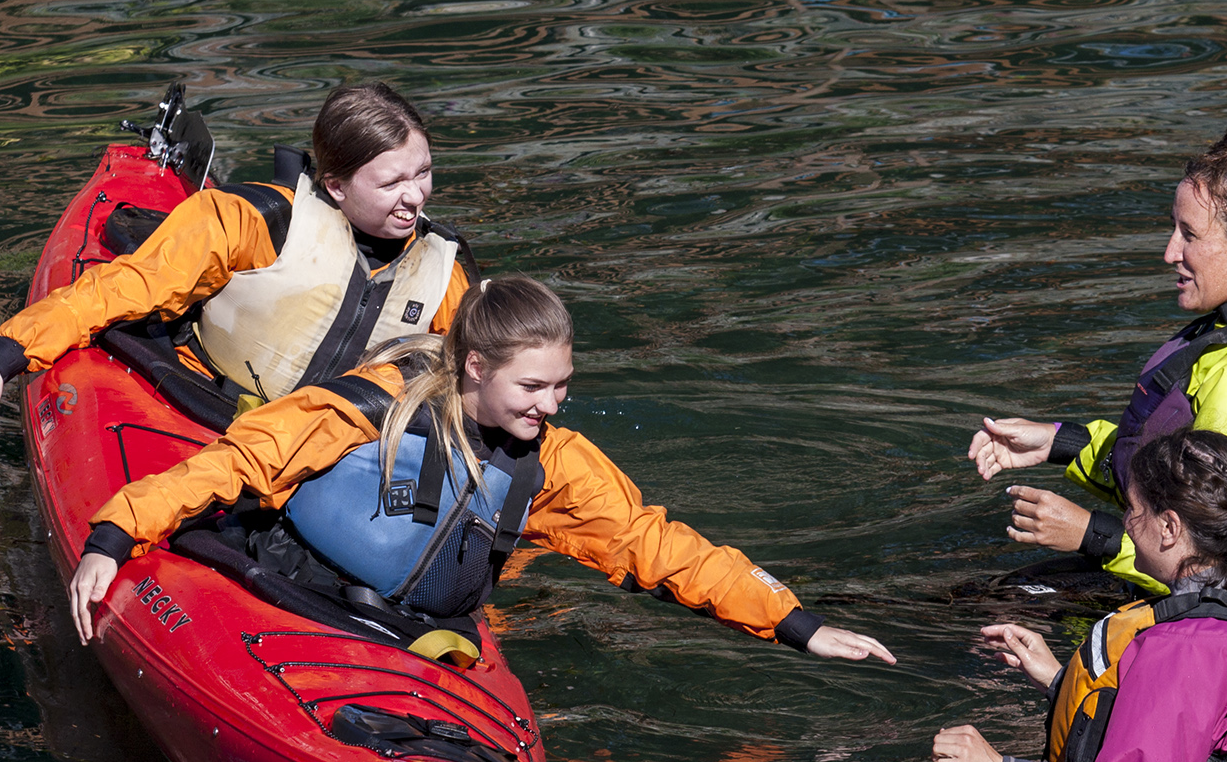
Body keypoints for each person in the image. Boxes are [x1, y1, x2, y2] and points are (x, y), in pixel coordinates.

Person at [65, 274, 897, 668]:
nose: (552, 405)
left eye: (563, 385)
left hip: (413, 641)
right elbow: (239, 461)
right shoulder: (364, 407)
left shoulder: (555, 467)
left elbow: (656, 546)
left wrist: (794, 621)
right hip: (284, 595)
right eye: (533, 386)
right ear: (471, 367)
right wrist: (113, 533)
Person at [967, 118, 1227, 630]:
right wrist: (1062, 443)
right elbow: (1180, 474)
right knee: (988, 601)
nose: (1170, 252)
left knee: (987, 612)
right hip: (1217, 599)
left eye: (1188, 234)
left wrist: (1090, 534)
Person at [0, 81, 476, 456]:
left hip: (336, 450)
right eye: (392, 183)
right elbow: (129, 287)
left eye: (424, 172)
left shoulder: (445, 272)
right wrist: (3, 356)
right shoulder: (254, 222)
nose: (415, 197)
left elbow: (478, 399)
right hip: (207, 411)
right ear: (336, 186)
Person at [932, 429, 1227, 762]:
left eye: (1132, 511)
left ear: (1169, 526)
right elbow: (1200, 732)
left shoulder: (1186, 646)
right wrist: (1063, 683)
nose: (1128, 528)